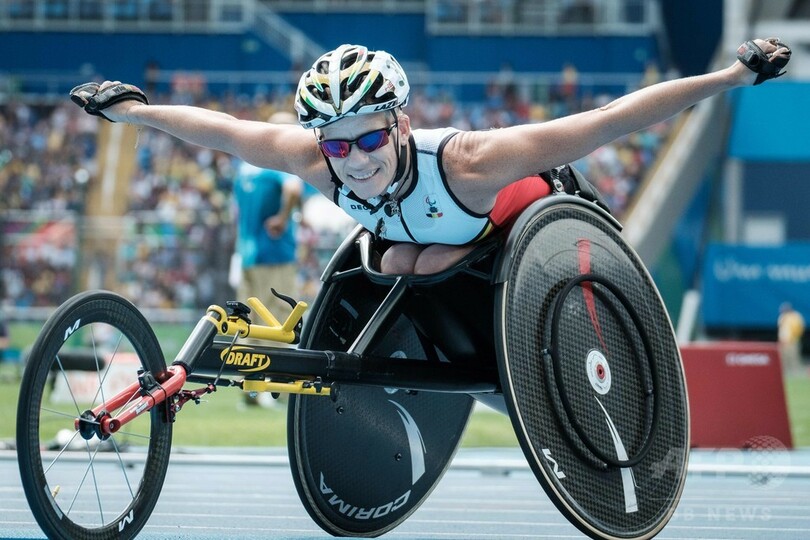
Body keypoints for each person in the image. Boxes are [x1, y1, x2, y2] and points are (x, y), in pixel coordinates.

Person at [69, 39, 791, 276]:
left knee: (416, 263)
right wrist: (134, 111)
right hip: (418, 242)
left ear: (402, 124)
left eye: (369, 137)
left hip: (512, 228)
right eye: (337, 142)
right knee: (390, 265)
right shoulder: (314, 158)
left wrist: (730, 78)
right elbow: (222, 130)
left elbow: (609, 120)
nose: (352, 159)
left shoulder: (472, 160)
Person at [232, 111, 303, 320]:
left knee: (248, 320)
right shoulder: (278, 163)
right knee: (277, 320)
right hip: (275, 253)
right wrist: (282, 219)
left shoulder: (246, 166)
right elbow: (293, 189)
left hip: (247, 254)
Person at [778, 302, 805, 377]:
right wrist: (781, 340)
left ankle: (796, 374)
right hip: (783, 341)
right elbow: (782, 330)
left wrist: (793, 338)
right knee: (783, 358)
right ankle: (784, 374)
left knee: (793, 357)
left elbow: (799, 328)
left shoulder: (795, 316)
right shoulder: (782, 317)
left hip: (793, 341)